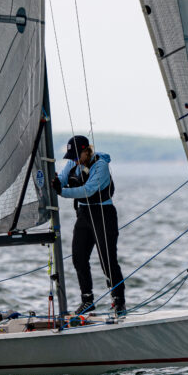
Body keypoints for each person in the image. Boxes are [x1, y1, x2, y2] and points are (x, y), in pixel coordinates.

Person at [51, 135, 126, 316]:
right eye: (72, 157)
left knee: (107, 260)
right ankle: (87, 300)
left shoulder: (100, 165)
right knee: (78, 258)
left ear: (87, 151)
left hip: (103, 215)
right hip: (84, 215)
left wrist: (62, 192)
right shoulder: (73, 163)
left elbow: (89, 190)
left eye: (78, 156)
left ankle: (119, 301)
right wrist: (54, 183)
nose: (75, 160)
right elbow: (61, 180)